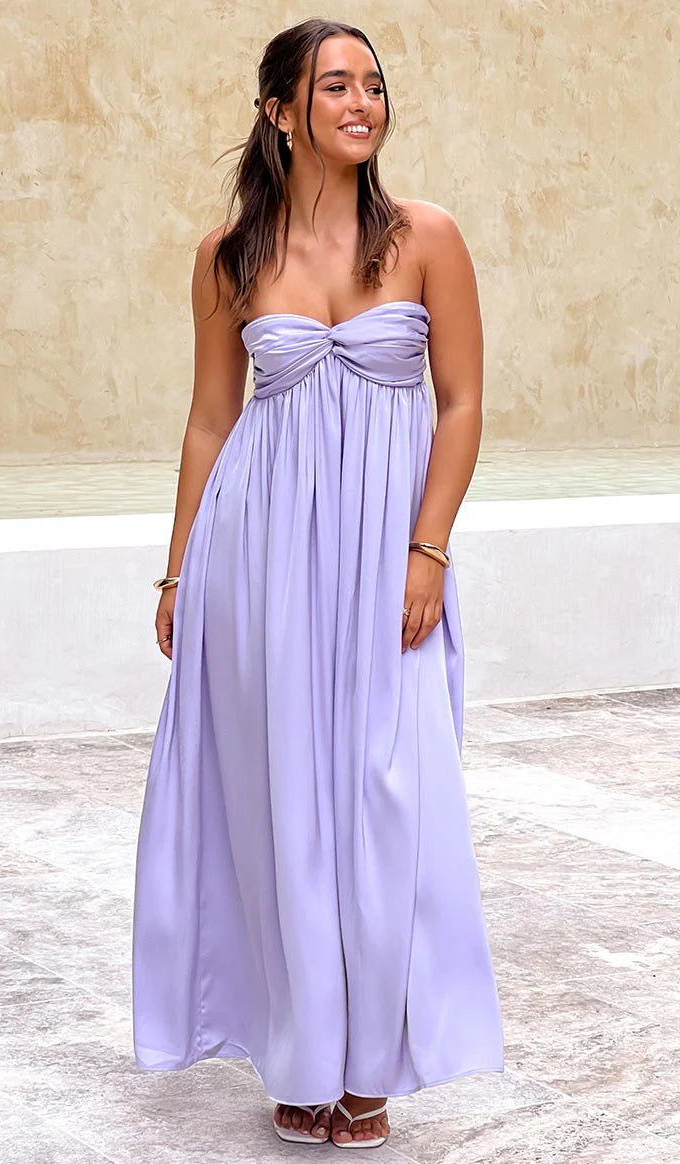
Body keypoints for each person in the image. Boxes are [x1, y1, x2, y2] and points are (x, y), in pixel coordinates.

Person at [132, 17, 504, 1150]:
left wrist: (427, 549)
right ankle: (304, 1057)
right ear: (279, 112)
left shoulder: (427, 237)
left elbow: (461, 404)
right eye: (335, 86)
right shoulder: (229, 257)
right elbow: (211, 420)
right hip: (261, 558)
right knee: (282, 801)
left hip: (389, 554)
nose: (362, 104)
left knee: (389, 797)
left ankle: (371, 1060)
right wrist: (180, 571)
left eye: (374, 86)